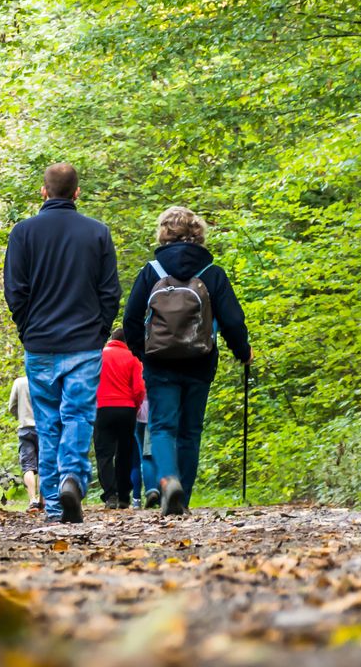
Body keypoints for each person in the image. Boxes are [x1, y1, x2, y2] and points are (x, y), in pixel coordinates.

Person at [4, 163, 121, 524]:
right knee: (78, 416)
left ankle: (55, 504)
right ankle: (72, 477)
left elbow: (15, 291)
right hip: (84, 344)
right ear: (77, 192)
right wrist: (99, 333)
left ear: (44, 191)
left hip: (40, 344)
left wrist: (28, 329)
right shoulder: (97, 233)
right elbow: (110, 292)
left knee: (48, 422)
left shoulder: (22, 234)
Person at [122, 207, 252, 516]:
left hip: (160, 363)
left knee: (163, 427)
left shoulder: (151, 271)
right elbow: (232, 320)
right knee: (190, 431)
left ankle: (169, 482)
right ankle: (184, 497)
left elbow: (130, 319)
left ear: (163, 233)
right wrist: (243, 351)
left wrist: (143, 352)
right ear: (198, 234)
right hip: (200, 361)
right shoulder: (211, 273)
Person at [94, 328, 145, 509]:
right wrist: (136, 406)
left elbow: (90, 381)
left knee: (104, 454)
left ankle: (110, 494)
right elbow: (139, 388)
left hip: (103, 409)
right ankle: (124, 495)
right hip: (127, 409)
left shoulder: (99, 356)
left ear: (111, 339)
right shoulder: (133, 357)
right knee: (125, 453)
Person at [8, 376, 42, 511]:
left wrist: (20, 416)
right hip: (44, 428)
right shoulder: (44, 380)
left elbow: (12, 406)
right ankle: (43, 500)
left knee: (28, 466)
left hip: (25, 428)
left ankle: (32, 499)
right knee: (45, 464)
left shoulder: (19, 382)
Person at [136, 398, 159, 508]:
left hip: (142, 414)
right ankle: (162, 494)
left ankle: (151, 490)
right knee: (161, 455)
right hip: (161, 411)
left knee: (146, 457)